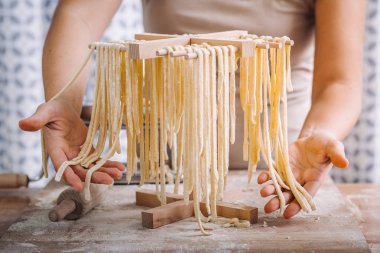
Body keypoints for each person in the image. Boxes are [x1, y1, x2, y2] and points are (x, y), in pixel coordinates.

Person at [19, 0, 366, 219]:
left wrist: (317, 134)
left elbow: (340, 80)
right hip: (163, 174)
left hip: (281, 173)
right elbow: (79, 11)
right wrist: (64, 100)